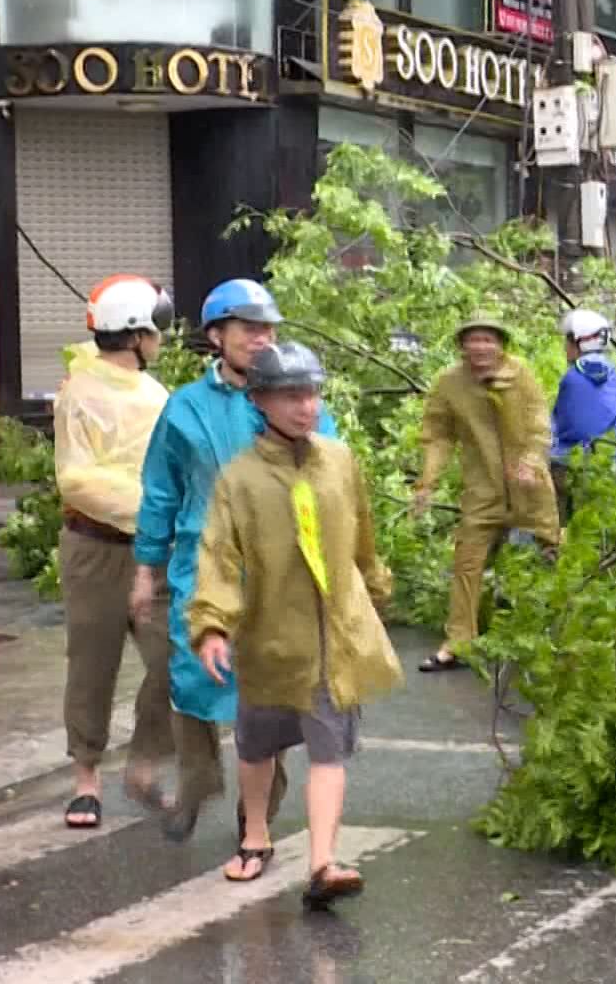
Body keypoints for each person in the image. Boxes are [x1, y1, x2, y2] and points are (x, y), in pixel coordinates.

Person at [189, 342, 402, 908]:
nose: (305, 407)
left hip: (333, 637)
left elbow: (363, 538)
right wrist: (212, 625)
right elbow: (219, 557)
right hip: (269, 636)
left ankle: (323, 863)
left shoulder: (339, 460)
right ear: (259, 400)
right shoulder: (240, 480)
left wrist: (375, 592)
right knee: (258, 746)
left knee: (329, 748)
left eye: (311, 394)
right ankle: (255, 837)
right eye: (290, 396)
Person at [131, 279, 337, 842]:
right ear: (217, 336)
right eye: (249, 329)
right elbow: (159, 493)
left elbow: (332, 482)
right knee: (193, 681)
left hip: (278, 574)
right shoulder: (185, 410)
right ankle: (197, 783)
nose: (262, 339)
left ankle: (257, 819)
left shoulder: (297, 399)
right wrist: (146, 570)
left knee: (270, 693)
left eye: (269, 328)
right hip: (201, 570)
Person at [56, 274, 177, 829]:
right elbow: (78, 481)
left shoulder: (159, 398)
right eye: (156, 328)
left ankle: (146, 763)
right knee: (92, 660)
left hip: (154, 548)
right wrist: (148, 507)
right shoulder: (77, 392)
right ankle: (86, 777)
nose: (162, 338)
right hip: (94, 548)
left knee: (173, 658)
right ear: (135, 333)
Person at [411, 314, 561, 672]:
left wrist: (530, 459)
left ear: (501, 345)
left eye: (488, 340)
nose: (480, 347)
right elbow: (438, 435)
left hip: (529, 485)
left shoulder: (521, 374)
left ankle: (565, 633)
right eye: (473, 340)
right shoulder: (449, 384)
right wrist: (426, 482)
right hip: (483, 489)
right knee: (466, 562)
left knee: (553, 550)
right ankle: (459, 642)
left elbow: (540, 422)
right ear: (462, 346)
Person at [550, 309, 616, 521]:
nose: (564, 347)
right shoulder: (611, 371)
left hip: (580, 462)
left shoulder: (573, 377)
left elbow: (567, 427)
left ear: (579, 341)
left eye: (567, 341)